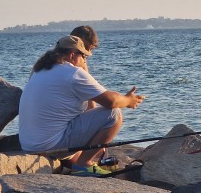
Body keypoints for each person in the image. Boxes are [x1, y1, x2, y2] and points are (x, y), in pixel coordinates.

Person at [18, 35, 145, 175]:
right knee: (113, 114)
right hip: (50, 145)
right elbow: (111, 101)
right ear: (73, 55)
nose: (85, 60)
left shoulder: (40, 70)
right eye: (84, 56)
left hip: (29, 145)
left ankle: (80, 164)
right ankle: (85, 165)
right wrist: (128, 100)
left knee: (78, 138)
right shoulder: (72, 73)